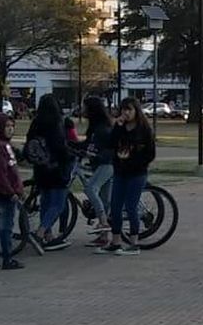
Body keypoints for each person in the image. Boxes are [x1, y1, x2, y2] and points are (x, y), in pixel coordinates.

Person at [98, 97, 156, 255]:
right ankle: (116, 242)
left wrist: (138, 162)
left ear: (136, 111)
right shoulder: (120, 127)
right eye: (123, 110)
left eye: (129, 110)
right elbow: (110, 144)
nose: (126, 113)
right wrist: (117, 127)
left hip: (137, 173)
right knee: (115, 207)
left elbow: (150, 153)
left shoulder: (144, 130)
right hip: (120, 172)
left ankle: (134, 243)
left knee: (131, 206)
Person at [25, 94, 73, 252]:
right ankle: (40, 233)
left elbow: (29, 142)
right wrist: (71, 155)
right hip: (56, 169)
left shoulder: (36, 122)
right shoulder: (56, 123)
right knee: (58, 204)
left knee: (45, 202)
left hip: (40, 169)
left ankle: (49, 236)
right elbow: (60, 147)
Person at [0, 112, 25, 270]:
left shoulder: (6, 145)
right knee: (6, 227)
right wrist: (11, 192)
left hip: (10, 190)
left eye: (12, 126)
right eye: (6, 126)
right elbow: (0, 174)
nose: (10, 129)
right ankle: (7, 258)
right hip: (4, 193)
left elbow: (12, 170)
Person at [80, 96, 115, 239]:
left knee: (90, 188)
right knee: (104, 198)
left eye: (85, 107)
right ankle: (103, 237)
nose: (82, 110)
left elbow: (111, 147)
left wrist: (99, 155)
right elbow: (87, 144)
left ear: (92, 110)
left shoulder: (103, 128)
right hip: (101, 164)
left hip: (107, 164)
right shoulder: (95, 127)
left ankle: (103, 221)